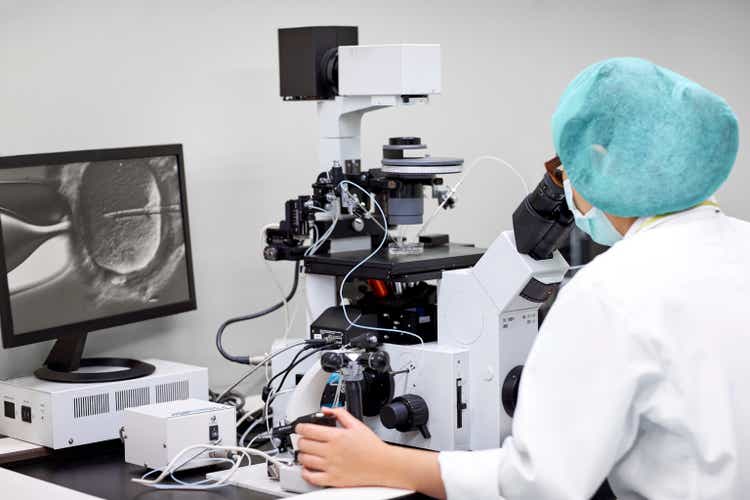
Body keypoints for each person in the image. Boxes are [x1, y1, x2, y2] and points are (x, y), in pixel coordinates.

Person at [295, 57, 749, 499]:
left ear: (598, 161)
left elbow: (540, 484)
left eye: (566, 169)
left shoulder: (611, 289)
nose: (566, 187)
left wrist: (382, 463)